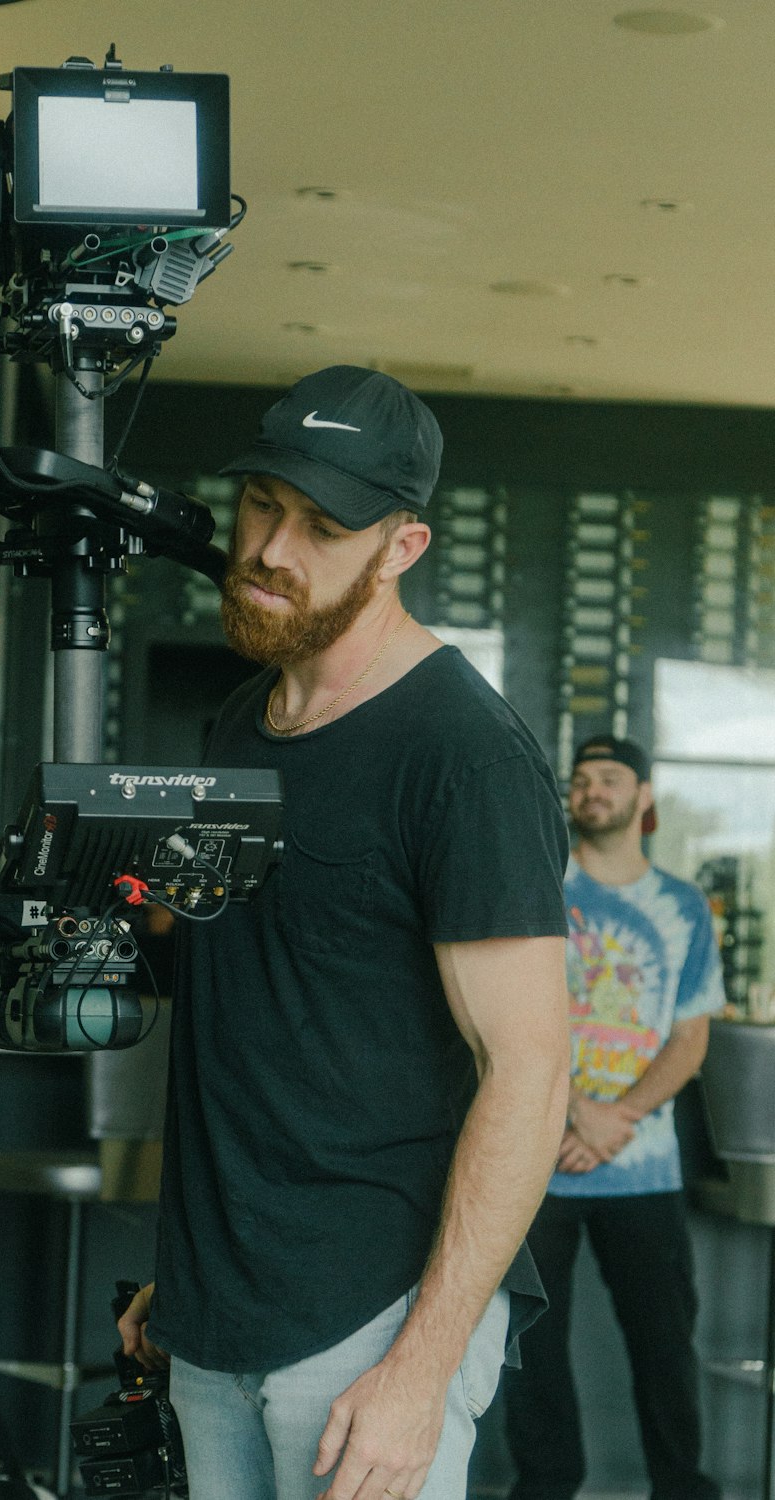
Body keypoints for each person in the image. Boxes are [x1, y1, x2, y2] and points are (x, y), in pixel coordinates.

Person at [118, 364, 571, 1500]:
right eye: (264, 505)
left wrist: (421, 1368)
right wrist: (185, 1280)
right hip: (218, 1310)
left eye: (323, 527)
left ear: (401, 548)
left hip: (372, 1320)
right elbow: (250, 1023)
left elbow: (529, 1070)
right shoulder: (237, 720)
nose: (273, 547)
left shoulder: (464, 756)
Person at [504, 734, 725, 1500]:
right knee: (532, 1346)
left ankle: (680, 1488)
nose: (592, 789)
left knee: (666, 1348)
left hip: (644, 1168)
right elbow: (500, 1017)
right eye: (582, 779)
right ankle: (545, 1488)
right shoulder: (537, 887)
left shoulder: (683, 907)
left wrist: (615, 1117)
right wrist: (577, 1112)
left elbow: (690, 1035)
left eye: (610, 778)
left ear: (645, 797)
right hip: (537, 1160)